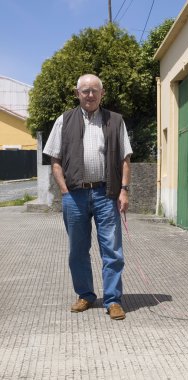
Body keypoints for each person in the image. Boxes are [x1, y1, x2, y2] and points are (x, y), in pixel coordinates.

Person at [43, 74, 132, 320]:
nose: (90, 95)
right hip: (75, 195)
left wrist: (124, 190)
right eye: (85, 91)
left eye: (94, 90)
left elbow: (125, 159)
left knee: (112, 250)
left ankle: (113, 300)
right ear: (77, 93)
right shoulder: (64, 120)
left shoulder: (115, 121)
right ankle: (85, 295)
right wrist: (65, 192)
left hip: (106, 194)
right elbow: (55, 160)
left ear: (102, 93)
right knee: (77, 250)